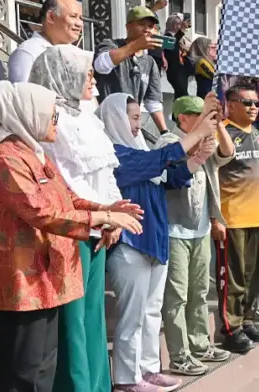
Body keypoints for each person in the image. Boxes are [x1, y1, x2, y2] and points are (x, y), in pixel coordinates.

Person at [0, 82, 141, 392]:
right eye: (52, 115)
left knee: (44, 368)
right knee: (24, 372)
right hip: (21, 286)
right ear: (30, 114)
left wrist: (106, 207)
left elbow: (66, 199)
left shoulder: (35, 155)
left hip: (46, 279)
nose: (56, 122)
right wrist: (104, 218)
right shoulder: (5, 160)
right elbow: (41, 212)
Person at [27, 45, 128, 392]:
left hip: (98, 227)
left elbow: (104, 175)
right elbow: (66, 183)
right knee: (73, 325)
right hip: (71, 232)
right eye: (86, 75)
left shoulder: (87, 116)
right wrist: (99, 216)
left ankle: (99, 386)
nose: (92, 82)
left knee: (93, 320)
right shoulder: (52, 121)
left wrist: (112, 215)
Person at [100, 93, 216, 392]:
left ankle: (149, 370)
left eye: (140, 116)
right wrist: (199, 132)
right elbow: (156, 162)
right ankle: (127, 378)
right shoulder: (114, 153)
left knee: (151, 312)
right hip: (131, 243)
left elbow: (171, 177)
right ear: (116, 118)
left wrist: (198, 158)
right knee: (132, 315)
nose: (140, 124)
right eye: (134, 117)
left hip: (154, 239)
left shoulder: (141, 148)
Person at [157, 95, 234, 376]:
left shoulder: (207, 139)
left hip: (200, 230)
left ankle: (200, 345)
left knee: (200, 291)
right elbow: (172, 166)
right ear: (182, 118)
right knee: (177, 294)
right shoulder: (168, 141)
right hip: (173, 230)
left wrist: (220, 124)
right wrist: (205, 124)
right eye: (197, 115)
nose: (203, 120)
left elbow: (228, 153)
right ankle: (179, 355)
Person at [215, 83, 259, 353]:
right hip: (232, 217)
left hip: (257, 216)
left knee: (254, 276)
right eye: (247, 102)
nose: (254, 108)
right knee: (234, 278)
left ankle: (249, 319)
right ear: (231, 104)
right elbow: (213, 177)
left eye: (256, 103)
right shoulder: (223, 133)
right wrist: (214, 218)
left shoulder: (255, 133)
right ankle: (232, 328)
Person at [93, 6, 168, 135]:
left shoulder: (149, 62)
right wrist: (135, 46)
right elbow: (101, 65)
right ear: (128, 26)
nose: (146, 29)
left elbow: (153, 102)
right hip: (105, 124)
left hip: (130, 127)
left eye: (150, 26)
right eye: (141, 24)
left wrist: (164, 132)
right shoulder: (111, 44)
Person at [9, 0, 84, 83]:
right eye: (73, 16)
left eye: (80, 18)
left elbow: (90, 95)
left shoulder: (78, 54)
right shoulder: (28, 53)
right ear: (51, 17)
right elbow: (22, 95)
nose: (80, 24)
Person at [163, 14, 188, 99]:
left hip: (180, 68)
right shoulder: (167, 36)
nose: (178, 26)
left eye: (179, 24)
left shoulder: (176, 38)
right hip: (173, 69)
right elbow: (170, 48)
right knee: (183, 94)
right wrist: (182, 31)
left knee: (179, 95)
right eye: (176, 24)